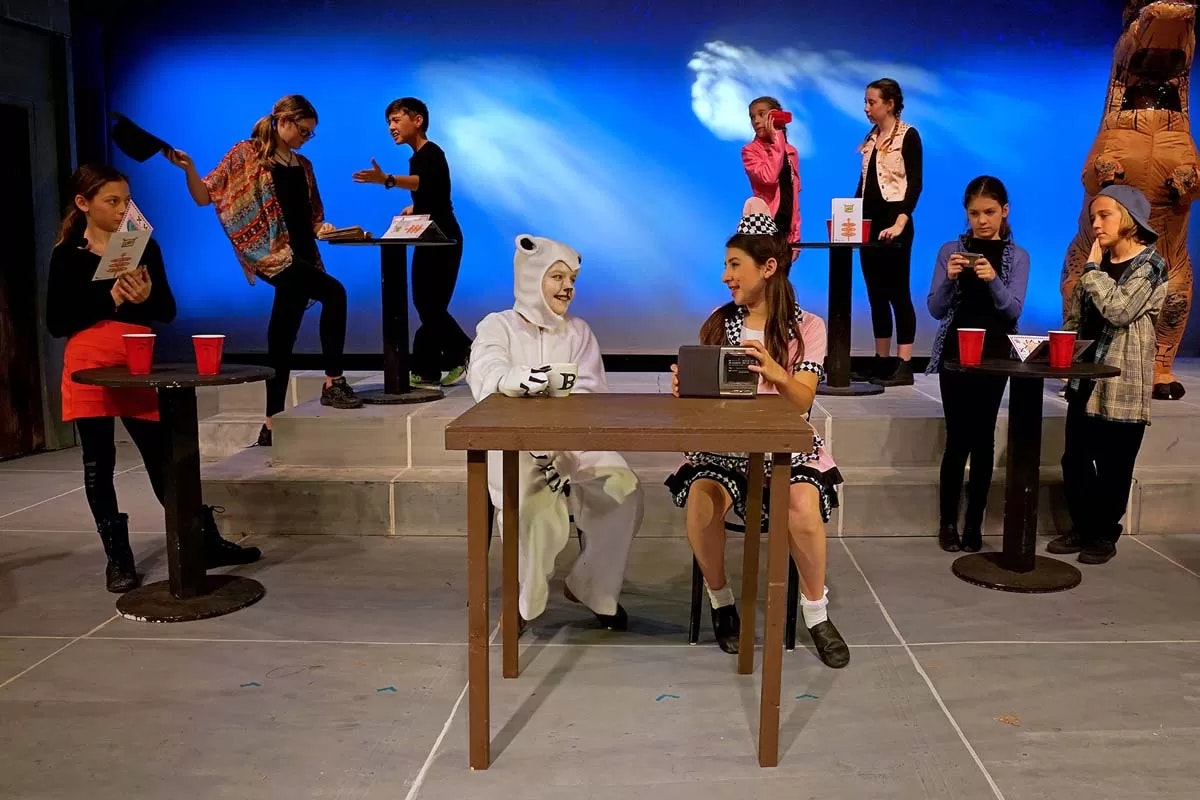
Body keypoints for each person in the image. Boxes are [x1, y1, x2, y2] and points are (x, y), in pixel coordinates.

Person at [46, 164, 261, 592]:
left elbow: (165, 310)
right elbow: (56, 320)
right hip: (89, 363)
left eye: (126, 199)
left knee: (163, 454)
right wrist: (106, 297)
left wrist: (144, 298)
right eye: (112, 201)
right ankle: (118, 557)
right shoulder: (67, 254)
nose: (123, 208)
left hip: (137, 359)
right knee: (98, 461)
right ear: (83, 203)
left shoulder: (144, 248)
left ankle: (204, 540)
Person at [665, 198, 848, 668]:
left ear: (768, 267)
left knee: (803, 506)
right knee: (704, 498)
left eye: (734, 264)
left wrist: (774, 370)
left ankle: (816, 611)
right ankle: (722, 602)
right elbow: (704, 407)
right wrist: (687, 388)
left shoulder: (808, 327)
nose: (726, 276)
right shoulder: (718, 324)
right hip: (727, 447)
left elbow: (803, 401)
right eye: (725, 265)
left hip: (787, 449)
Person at [466, 234, 643, 632]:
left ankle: (594, 587)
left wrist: (563, 447)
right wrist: (513, 380)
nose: (568, 288)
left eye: (572, 280)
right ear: (531, 277)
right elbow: (485, 372)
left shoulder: (578, 332)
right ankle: (524, 603)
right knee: (531, 505)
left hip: (575, 444)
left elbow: (591, 393)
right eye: (557, 277)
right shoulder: (498, 326)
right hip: (514, 449)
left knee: (623, 489)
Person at [167, 94, 362, 449]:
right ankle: (333, 382)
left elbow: (312, 217)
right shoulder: (247, 153)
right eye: (303, 130)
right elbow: (205, 195)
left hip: (304, 254)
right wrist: (189, 169)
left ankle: (271, 422)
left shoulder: (303, 165)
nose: (306, 138)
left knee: (282, 335)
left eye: (310, 133)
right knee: (335, 293)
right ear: (284, 121)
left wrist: (326, 229)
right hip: (273, 256)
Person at [1048, 184, 1167, 565]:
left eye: (1105, 215)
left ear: (1129, 221)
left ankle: (1103, 533)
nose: (1095, 224)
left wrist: (1093, 271)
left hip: (1121, 383)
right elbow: (1076, 321)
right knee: (1076, 458)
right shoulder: (1093, 267)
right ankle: (1082, 527)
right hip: (1086, 381)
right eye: (1093, 217)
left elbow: (1119, 310)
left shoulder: (1150, 265)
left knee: (1115, 464)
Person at [926, 177, 1030, 553]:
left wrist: (993, 280)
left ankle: (974, 524)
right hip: (956, 351)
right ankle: (947, 524)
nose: (982, 221)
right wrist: (951, 280)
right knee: (957, 440)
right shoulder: (950, 250)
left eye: (989, 212)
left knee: (983, 439)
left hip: (995, 352)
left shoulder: (1017, 257)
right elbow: (936, 309)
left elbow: (1013, 310)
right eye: (974, 213)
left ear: (1004, 210)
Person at [353, 97, 471, 387]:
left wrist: (388, 180)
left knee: (429, 305)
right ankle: (427, 369)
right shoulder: (419, 156)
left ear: (417, 120)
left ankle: (466, 352)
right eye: (389, 123)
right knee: (428, 305)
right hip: (430, 236)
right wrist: (414, 208)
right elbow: (433, 192)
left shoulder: (430, 152)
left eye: (396, 120)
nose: (391, 127)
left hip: (442, 239)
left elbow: (424, 183)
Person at [854, 78, 923, 387]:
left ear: (890, 103)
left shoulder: (908, 135)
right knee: (876, 295)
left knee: (898, 293)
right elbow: (864, 184)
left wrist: (900, 221)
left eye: (872, 102)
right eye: (866, 102)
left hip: (895, 223)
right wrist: (852, 218)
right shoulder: (870, 139)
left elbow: (915, 183)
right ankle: (881, 361)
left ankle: (904, 363)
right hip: (869, 224)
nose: (867, 108)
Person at [742, 96, 800, 262]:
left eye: (761, 114)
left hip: (785, 233)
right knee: (763, 285)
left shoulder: (791, 152)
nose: (756, 121)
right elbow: (769, 177)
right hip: (762, 230)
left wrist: (795, 239)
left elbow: (794, 197)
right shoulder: (750, 151)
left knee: (780, 285)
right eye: (752, 117)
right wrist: (777, 139)